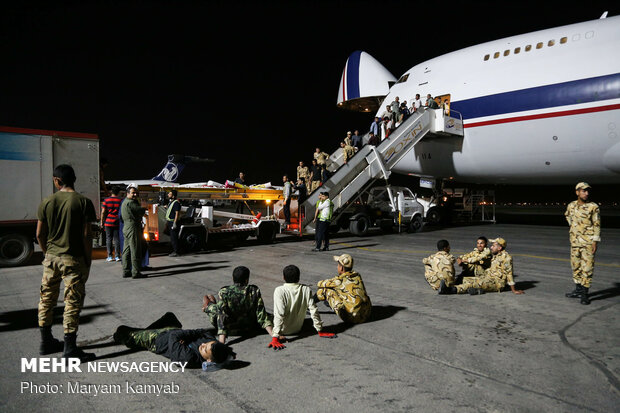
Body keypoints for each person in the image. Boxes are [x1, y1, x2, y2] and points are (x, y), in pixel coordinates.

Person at [36, 164, 97, 361]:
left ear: (57, 180)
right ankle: (69, 348)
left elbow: (39, 234)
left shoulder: (47, 202)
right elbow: (88, 235)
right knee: (72, 302)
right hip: (73, 259)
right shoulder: (84, 202)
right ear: (73, 179)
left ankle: (46, 343)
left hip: (51, 259)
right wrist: (88, 259)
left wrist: (48, 254)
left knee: (46, 300)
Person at [114, 312, 235, 369]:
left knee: (122, 331)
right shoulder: (211, 344)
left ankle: (138, 335)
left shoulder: (189, 358)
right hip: (172, 331)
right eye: (206, 344)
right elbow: (204, 331)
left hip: (157, 340)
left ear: (209, 359)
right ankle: (142, 332)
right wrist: (185, 338)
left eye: (204, 349)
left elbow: (174, 337)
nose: (203, 344)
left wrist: (185, 336)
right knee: (170, 316)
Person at [268, 265, 337, 350]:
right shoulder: (306, 289)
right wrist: (320, 330)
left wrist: (275, 337)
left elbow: (279, 314)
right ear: (299, 278)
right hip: (297, 329)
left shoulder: (279, 290)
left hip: (282, 331)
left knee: (266, 317)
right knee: (308, 321)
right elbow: (313, 310)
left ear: (283, 277)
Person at [202, 266, 274, 345]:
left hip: (230, 330)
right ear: (247, 280)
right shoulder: (253, 290)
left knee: (213, 309)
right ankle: (209, 305)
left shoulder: (224, 292)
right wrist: (273, 335)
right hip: (249, 327)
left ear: (233, 278)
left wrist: (221, 341)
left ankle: (208, 306)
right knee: (271, 316)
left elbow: (221, 315)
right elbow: (261, 314)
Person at [439, 238, 524, 295]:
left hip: (497, 283)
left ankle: (449, 290)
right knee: (465, 279)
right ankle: (446, 284)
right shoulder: (496, 255)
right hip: (487, 277)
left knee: (472, 284)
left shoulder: (507, 258)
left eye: (493, 246)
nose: (491, 247)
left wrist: (514, 290)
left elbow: (509, 274)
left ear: (499, 248)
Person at [564, 182, 601, 305]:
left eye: (587, 191)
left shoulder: (593, 206)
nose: (586, 193)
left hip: (588, 243)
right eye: (583, 191)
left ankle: (585, 294)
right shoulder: (571, 205)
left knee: (587, 268)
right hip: (574, 242)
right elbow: (567, 216)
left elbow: (596, 224)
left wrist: (595, 241)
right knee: (575, 266)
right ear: (577, 192)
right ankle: (578, 290)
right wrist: (573, 228)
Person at [316, 254, 372, 324]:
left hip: (352, 318)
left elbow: (320, 283)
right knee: (343, 290)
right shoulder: (357, 276)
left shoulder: (339, 281)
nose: (337, 267)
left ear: (341, 268)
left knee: (324, 290)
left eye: (338, 265)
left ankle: (307, 305)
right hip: (366, 315)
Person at [121, 186, 147, 278]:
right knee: (135, 249)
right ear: (128, 193)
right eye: (133, 193)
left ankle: (126, 270)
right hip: (133, 227)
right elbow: (141, 211)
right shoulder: (131, 203)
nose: (135, 195)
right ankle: (136, 272)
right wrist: (144, 206)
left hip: (126, 227)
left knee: (126, 250)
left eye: (136, 193)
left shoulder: (124, 202)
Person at [101, 185, 122, 262]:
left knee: (108, 239)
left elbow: (103, 212)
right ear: (118, 192)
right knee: (117, 239)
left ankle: (109, 256)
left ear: (111, 192)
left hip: (108, 222)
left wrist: (101, 222)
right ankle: (117, 256)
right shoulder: (120, 200)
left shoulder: (106, 200)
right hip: (117, 222)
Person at [166, 189, 182, 257]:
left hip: (173, 222)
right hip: (170, 222)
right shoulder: (171, 202)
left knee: (174, 237)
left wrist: (175, 223)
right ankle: (174, 250)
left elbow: (177, 213)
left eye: (169, 194)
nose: (168, 195)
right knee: (172, 237)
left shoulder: (176, 203)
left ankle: (176, 251)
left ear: (173, 196)